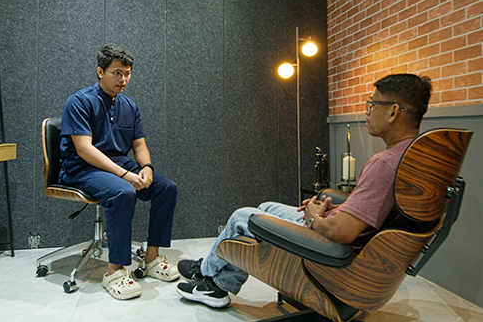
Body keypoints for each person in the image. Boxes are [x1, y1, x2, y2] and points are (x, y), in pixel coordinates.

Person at [176, 73, 432, 308]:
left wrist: (314, 218)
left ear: (393, 112)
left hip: (331, 253)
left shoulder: (384, 164)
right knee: (266, 207)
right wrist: (337, 209)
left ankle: (209, 277)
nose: (367, 112)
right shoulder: (412, 157)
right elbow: (374, 212)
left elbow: (342, 233)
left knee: (244, 217)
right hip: (344, 243)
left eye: (372, 104)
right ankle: (216, 275)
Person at [59, 44, 179, 300]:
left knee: (166, 188)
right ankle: (115, 271)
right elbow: (83, 149)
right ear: (100, 72)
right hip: (81, 168)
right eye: (117, 73)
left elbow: (139, 145)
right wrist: (125, 175)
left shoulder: (130, 106)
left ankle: (152, 258)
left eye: (127, 73)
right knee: (124, 192)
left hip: (119, 165)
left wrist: (146, 167)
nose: (123, 79)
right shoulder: (79, 101)